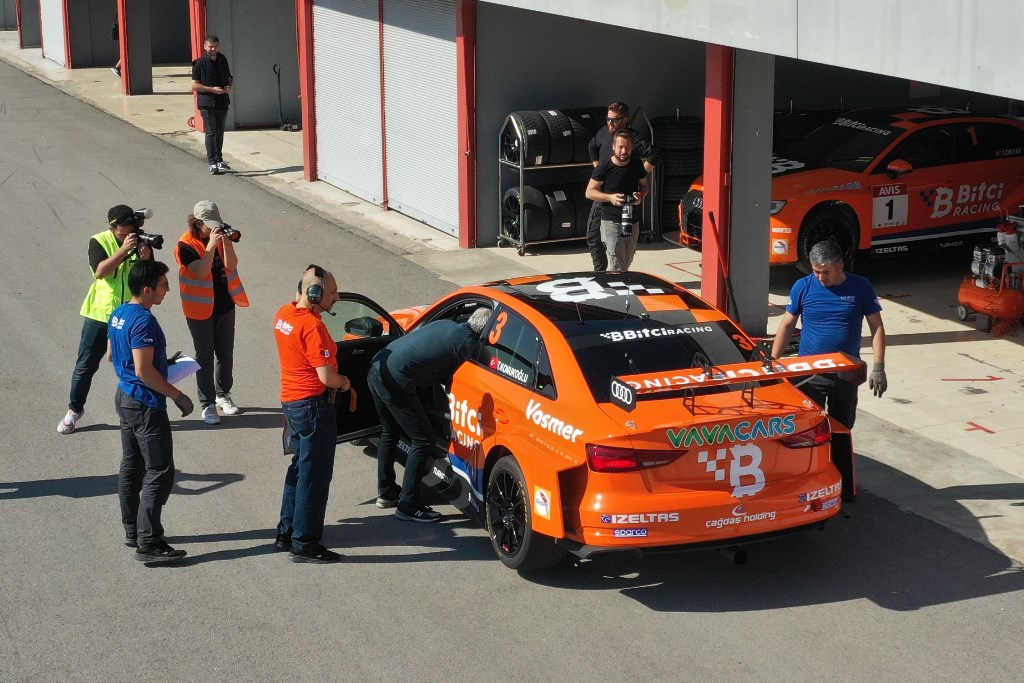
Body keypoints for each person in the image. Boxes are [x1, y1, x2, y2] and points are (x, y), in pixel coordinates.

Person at [771, 240, 887, 499]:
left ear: (840, 266)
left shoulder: (861, 286)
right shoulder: (803, 286)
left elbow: (877, 327)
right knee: (807, 431)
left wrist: (878, 367)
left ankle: (841, 485)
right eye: (816, 271)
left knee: (841, 429)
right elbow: (787, 324)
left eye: (826, 272)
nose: (821, 277)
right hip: (809, 374)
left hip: (846, 374)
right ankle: (806, 482)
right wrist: (773, 362)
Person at [368, 308, 491, 523]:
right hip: (397, 381)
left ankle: (386, 492)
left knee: (390, 431)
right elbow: (466, 380)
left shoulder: (448, 325)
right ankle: (408, 505)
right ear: (486, 332)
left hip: (377, 367)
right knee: (424, 440)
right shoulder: (468, 343)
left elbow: (438, 361)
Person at [109, 260, 195, 563]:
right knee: (159, 470)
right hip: (145, 403)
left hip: (125, 396)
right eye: (163, 285)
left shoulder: (119, 312)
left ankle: (133, 530)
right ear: (147, 290)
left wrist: (159, 363)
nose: (167, 290)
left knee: (132, 466)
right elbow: (144, 371)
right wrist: (178, 395)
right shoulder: (144, 321)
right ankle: (149, 543)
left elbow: (112, 355)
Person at [273, 265, 353, 564]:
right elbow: (326, 377)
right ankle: (305, 544)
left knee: (299, 469)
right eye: (332, 292)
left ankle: (286, 532)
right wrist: (344, 382)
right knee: (314, 476)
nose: (337, 297)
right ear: (315, 293)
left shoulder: (283, 314)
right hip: (314, 407)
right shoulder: (312, 327)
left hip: (292, 404)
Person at [58, 205, 153, 435]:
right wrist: (123, 250)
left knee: (137, 366)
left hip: (130, 316)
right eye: (123, 229)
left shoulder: (141, 242)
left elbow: (149, 278)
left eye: (131, 227)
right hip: (100, 314)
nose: (128, 232)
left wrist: (146, 260)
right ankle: (74, 410)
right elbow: (100, 271)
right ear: (113, 226)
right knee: (85, 366)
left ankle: (140, 412)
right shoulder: (98, 240)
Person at [175, 200, 249, 425]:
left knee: (225, 354)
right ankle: (207, 404)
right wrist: (210, 247)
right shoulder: (185, 245)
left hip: (224, 304)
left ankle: (222, 394)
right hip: (199, 310)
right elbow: (201, 271)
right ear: (198, 223)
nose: (214, 229)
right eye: (209, 225)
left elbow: (231, 265)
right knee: (204, 356)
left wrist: (226, 243)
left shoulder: (219, 237)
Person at [586, 102, 660, 271]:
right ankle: (601, 272)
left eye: (614, 120)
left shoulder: (631, 138)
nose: (610, 123)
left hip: (625, 203)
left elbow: (655, 154)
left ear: (625, 120)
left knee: (626, 249)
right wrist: (598, 169)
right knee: (593, 236)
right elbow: (592, 147)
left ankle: (616, 273)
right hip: (604, 196)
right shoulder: (603, 133)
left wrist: (638, 173)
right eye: (608, 119)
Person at [191, 35, 233, 175]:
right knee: (211, 132)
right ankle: (212, 162)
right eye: (210, 46)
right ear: (205, 46)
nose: (213, 49)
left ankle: (219, 160)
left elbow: (229, 77)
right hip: (207, 103)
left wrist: (228, 86)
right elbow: (194, 85)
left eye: (215, 46)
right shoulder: (199, 63)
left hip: (222, 101)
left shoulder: (223, 59)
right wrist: (211, 89)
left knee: (220, 131)